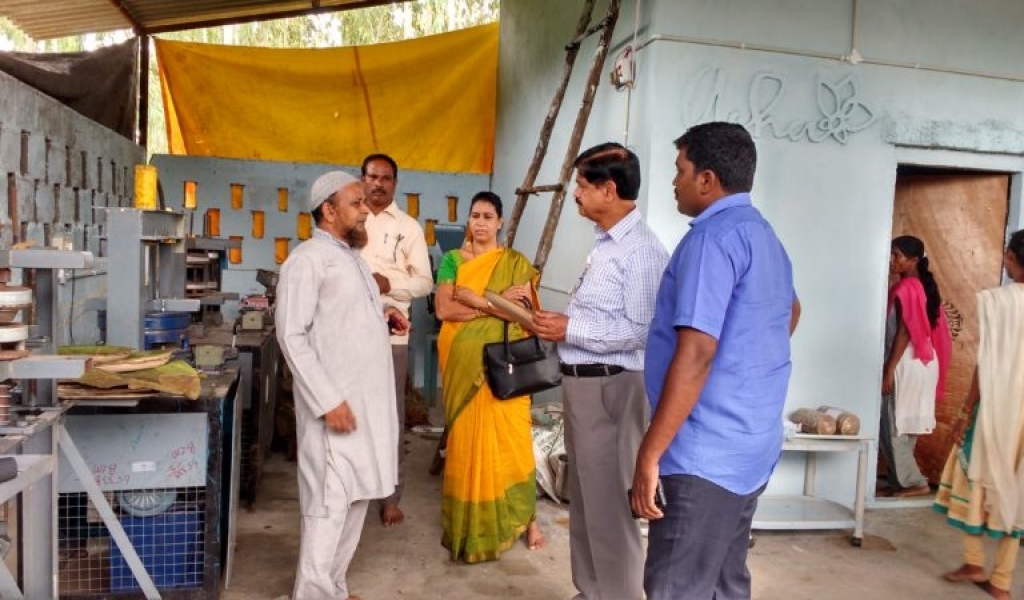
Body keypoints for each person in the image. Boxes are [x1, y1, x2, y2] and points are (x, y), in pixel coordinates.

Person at [630, 122, 800, 600]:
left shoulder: (712, 240)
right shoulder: (764, 236)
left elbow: (698, 352)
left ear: (706, 179)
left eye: (680, 170)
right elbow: (791, 311)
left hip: (703, 454)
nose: (674, 181)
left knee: (677, 586)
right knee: (725, 580)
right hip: (751, 445)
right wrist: (743, 366)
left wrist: (650, 453)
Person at [533, 142, 669, 600]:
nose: (575, 193)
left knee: (610, 505)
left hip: (612, 386)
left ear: (608, 190)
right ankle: (591, 591)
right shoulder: (606, 244)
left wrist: (569, 327)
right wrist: (553, 322)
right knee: (588, 500)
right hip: (585, 385)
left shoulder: (641, 251)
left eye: (582, 185)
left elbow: (641, 330)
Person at [275, 171, 409, 599]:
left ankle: (333, 587)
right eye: (356, 203)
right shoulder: (308, 260)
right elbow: (291, 335)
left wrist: (383, 315)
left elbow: (343, 316)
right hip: (334, 411)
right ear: (329, 211)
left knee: (356, 499)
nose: (366, 209)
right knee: (328, 507)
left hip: (363, 408)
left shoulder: (351, 258)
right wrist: (328, 400)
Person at [433, 191, 546, 563]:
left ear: (500, 222)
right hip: (464, 363)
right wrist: (495, 303)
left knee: (514, 441)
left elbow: (527, 317)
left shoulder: (515, 263)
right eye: (475, 215)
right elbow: (444, 308)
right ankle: (470, 527)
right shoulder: (452, 260)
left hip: (506, 364)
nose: (480, 222)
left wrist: (478, 299)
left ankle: (527, 518)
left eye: (487, 216)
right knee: (468, 443)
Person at [935, 228, 1024, 600]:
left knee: (970, 473)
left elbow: (986, 364)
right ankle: (1001, 581)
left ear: (1012, 257)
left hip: (999, 407)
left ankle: (974, 561)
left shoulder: (999, 301)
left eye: (1007, 254)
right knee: (1016, 489)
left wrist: (964, 410)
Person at [360, 153, 433, 526]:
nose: (378, 183)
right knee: (352, 413)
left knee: (390, 416)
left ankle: (391, 496)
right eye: (372, 176)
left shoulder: (409, 228)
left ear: (395, 183)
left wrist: (390, 283)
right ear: (363, 179)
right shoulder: (350, 220)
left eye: (385, 178)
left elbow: (425, 283)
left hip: (393, 334)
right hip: (349, 332)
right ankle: (354, 491)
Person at [878, 235, 951, 498]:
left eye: (896, 255)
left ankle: (914, 483)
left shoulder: (907, 287)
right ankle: (901, 480)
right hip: (922, 363)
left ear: (913, 261)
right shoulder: (920, 285)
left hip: (905, 363)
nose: (891, 260)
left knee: (893, 423)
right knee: (903, 425)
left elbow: (905, 331)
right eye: (890, 254)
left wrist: (889, 369)